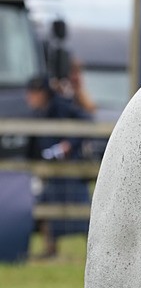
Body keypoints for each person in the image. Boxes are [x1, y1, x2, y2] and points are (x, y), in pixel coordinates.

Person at [25, 74, 92, 257]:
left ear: (44, 93)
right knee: (45, 205)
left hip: (69, 168)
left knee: (83, 209)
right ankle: (50, 249)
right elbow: (32, 142)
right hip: (49, 170)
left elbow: (86, 120)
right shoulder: (36, 113)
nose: (30, 98)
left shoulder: (62, 106)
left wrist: (69, 144)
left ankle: (93, 250)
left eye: (34, 93)